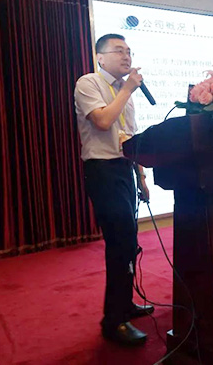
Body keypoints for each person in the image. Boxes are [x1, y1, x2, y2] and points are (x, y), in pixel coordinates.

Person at [74, 33, 153, 346]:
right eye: (119, 51)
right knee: (118, 244)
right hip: (102, 171)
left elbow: (129, 137)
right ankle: (113, 321)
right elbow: (104, 121)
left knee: (129, 242)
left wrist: (141, 178)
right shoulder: (88, 83)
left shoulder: (124, 90)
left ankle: (125, 304)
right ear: (100, 57)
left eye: (129, 51)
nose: (127, 57)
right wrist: (127, 89)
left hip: (124, 170)